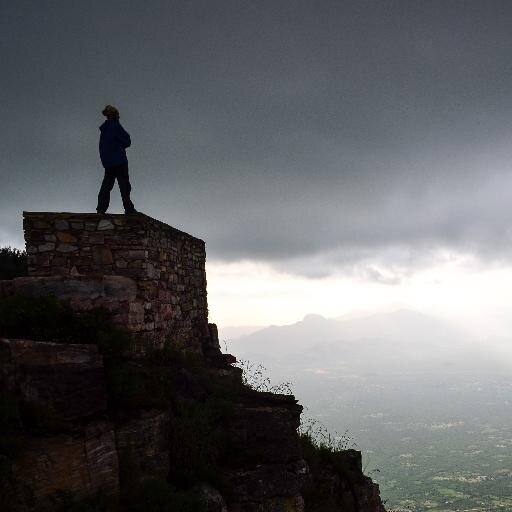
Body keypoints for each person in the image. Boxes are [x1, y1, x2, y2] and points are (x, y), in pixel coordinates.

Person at [96, 105, 137, 214]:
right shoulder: (115, 127)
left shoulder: (104, 130)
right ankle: (129, 208)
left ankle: (101, 208)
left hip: (108, 163)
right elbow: (127, 141)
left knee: (106, 186)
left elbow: (101, 147)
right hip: (119, 161)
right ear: (115, 115)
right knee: (124, 186)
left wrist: (106, 161)